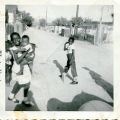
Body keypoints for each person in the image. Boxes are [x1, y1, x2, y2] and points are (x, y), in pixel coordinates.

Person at [8, 32, 33, 105]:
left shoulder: (23, 45)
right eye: (14, 39)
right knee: (27, 84)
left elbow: (30, 49)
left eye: (18, 38)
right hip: (19, 69)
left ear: (20, 38)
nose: (17, 40)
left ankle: (11, 96)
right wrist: (26, 53)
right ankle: (25, 100)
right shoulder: (13, 49)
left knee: (19, 84)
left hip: (25, 68)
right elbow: (18, 61)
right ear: (12, 41)